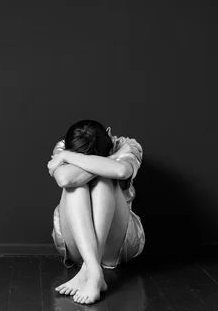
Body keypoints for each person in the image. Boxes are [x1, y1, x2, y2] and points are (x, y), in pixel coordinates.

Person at [47, 120, 145, 305]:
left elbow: (122, 170)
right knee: (75, 187)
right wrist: (109, 161)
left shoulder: (127, 145)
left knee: (104, 181)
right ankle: (94, 271)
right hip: (74, 244)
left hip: (118, 245)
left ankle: (89, 272)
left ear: (109, 134)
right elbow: (64, 178)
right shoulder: (66, 145)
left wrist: (72, 159)